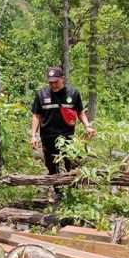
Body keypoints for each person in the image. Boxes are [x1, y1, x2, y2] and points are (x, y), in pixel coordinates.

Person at [30, 67, 95, 200]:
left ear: (63, 79)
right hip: (48, 136)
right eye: (51, 82)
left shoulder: (73, 93)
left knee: (69, 161)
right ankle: (58, 190)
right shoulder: (41, 94)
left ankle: (72, 188)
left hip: (67, 135)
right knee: (51, 165)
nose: (53, 85)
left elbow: (80, 112)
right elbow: (36, 115)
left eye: (56, 81)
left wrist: (88, 126)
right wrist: (33, 135)